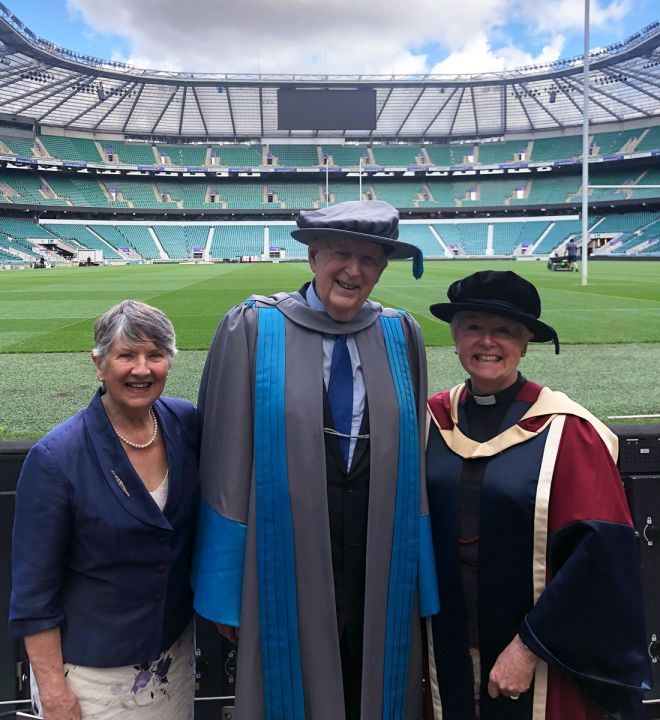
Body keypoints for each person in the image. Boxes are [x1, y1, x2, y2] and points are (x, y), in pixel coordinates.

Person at [192, 200, 439, 720]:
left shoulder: (401, 334)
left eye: (369, 259)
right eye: (341, 254)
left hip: (380, 559)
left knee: (376, 685)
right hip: (283, 559)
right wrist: (226, 589)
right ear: (312, 256)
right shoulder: (254, 328)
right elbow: (222, 462)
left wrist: (421, 581)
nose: (354, 271)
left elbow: (412, 467)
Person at [423, 270, 651, 720]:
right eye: (472, 326)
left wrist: (528, 648)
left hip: (536, 663)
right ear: (454, 336)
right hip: (441, 647)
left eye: (504, 330)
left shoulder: (569, 433)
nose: (486, 341)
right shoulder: (429, 422)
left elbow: (599, 561)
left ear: (526, 342)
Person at [9, 300, 199, 720]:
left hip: (174, 658)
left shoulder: (185, 423)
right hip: (92, 679)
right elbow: (33, 595)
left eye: (155, 354)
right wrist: (55, 694)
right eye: (126, 355)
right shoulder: (56, 459)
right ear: (99, 364)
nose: (142, 369)